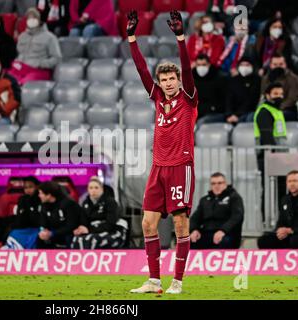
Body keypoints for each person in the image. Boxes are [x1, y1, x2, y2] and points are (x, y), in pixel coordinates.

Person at [127, 10, 198, 295]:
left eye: (172, 79)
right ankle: (154, 280)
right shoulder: (157, 97)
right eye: (164, 79)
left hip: (181, 165)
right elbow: (142, 69)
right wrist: (132, 37)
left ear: (179, 81)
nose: (168, 83)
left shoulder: (189, 98)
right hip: (158, 167)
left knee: (181, 225)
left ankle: (177, 281)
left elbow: (188, 67)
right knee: (147, 222)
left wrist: (181, 38)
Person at [254, 83, 288, 220]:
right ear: (267, 95)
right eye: (275, 94)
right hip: (269, 157)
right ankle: (267, 223)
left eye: (281, 94)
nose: (279, 96)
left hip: (278, 157)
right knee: (269, 190)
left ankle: (280, 222)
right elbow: (267, 139)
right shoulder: (264, 111)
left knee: (280, 191)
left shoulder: (276, 111)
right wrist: (277, 158)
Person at [190, 173, 244, 249]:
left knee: (224, 241)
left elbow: (237, 217)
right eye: (213, 183)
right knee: (189, 241)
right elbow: (195, 218)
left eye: (219, 183)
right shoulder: (205, 200)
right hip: (207, 233)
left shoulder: (234, 197)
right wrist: (194, 230)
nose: (216, 186)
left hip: (227, 233)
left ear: (225, 184)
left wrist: (223, 231)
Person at [71, 177, 128, 249]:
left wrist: (89, 229)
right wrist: (82, 228)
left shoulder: (110, 202)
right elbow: (84, 221)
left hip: (112, 231)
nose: (93, 190)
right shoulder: (85, 203)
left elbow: (111, 223)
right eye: (91, 188)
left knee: (93, 240)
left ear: (102, 189)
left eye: (96, 188)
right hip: (92, 231)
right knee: (76, 239)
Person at [11, 8, 62, 85]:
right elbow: (18, 54)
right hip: (20, 67)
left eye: (34, 18)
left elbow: (57, 59)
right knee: (5, 81)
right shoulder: (22, 36)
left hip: (38, 70)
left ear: (39, 20)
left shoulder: (50, 37)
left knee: (24, 85)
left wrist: (40, 64)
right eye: (29, 18)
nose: (31, 20)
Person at [257, 170, 298, 249]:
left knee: (294, 240)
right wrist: (280, 231)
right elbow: (281, 220)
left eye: (295, 181)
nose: (292, 184)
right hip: (288, 234)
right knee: (263, 241)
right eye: (289, 181)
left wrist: (291, 230)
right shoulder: (285, 200)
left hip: (295, 233)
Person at [37, 181, 82, 249]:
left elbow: (71, 225)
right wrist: (43, 231)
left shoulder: (68, 204)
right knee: (40, 238)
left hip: (68, 233)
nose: (39, 196)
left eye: (41, 193)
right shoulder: (44, 206)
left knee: (68, 237)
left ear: (49, 195)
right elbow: (43, 223)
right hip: (53, 233)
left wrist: (53, 233)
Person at [260, 54, 298, 121]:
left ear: (285, 65)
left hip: (288, 110)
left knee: (273, 117)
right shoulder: (265, 79)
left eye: (281, 64)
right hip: (269, 109)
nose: (278, 66)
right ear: (271, 65)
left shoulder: (293, 78)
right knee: (251, 117)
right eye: (275, 64)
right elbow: (264, 95)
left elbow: (292, 99)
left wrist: (276, 109)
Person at [193, 53, 227, 126]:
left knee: (201, 123)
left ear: (209, 65)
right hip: (197, 112)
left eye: (204, 65)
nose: (201, 67)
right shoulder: (192, 79)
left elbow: (223, 101)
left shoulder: (219, 78)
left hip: (214, 113)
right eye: (198, 65)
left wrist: (212, 108)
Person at [225, 57, 261, 124]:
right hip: (231, 115)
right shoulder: (233, 80)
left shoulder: (257, 80)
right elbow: (229, 99)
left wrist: (237, 115)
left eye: (247, 65)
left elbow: (252, 100)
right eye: (242, 65)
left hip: (248, 113)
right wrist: (229, 114)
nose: (244, 67)